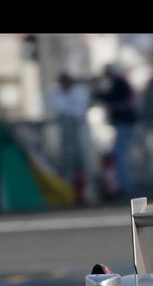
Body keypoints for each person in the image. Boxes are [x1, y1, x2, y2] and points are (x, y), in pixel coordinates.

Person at [49, 71, 95, 203]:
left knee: (86, 161)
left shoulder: (80, 91)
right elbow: (60, 107)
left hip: (81, 129)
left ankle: (88, 191)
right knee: (68, 161)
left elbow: (78, 110)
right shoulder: (57, 93)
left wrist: (70, 110)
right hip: (67, 133)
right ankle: (69, 191)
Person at [94, 64, 138, 200]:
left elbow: (109, 97)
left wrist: (97, 92)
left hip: (124, 123)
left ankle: (124, 186)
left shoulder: (120, 84)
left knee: (119, 155)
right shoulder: (120, 83)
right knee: (119, 154)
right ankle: (122, 185)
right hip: (123, 123)